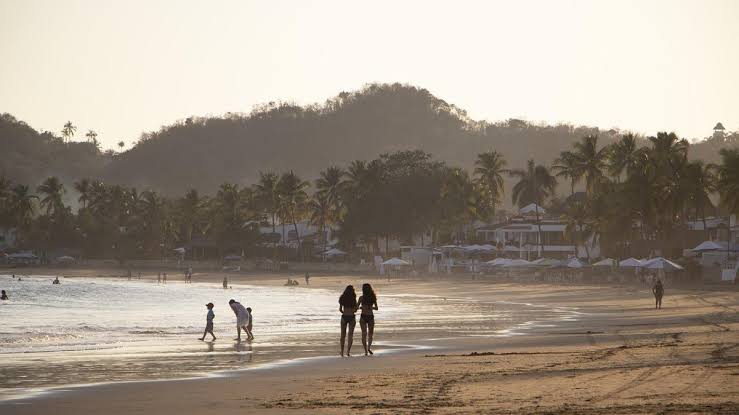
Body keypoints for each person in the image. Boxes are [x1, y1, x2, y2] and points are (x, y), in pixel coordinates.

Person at [357, 283, 378, 356]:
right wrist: (370, 307)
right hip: (370, 316)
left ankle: (366, 350)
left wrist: (361, 308)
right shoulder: (373, 297)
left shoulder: (361, 298)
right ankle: (368, 347)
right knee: (370, 334)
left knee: (364, 334)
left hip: (363, 316)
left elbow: (356, 308)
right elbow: (376, 308)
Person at [338, 285, 357, 357]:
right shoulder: (353, 298)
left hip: (344, 317)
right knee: (350, 335)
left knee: (343, 335)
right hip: (351, 317)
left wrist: (344, 312)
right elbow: (355, 310)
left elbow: (340, 309)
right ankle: (348, 352)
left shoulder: (342, 298)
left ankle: (342, 352)